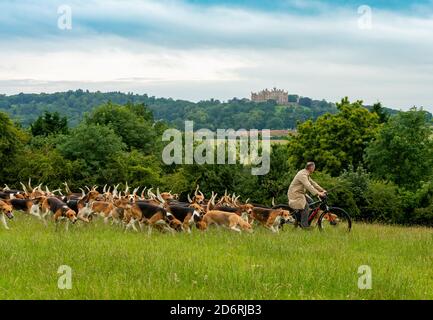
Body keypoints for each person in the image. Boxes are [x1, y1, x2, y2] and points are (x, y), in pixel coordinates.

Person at [288, 162, 326, 229]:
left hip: (300, 193)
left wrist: (322, 190)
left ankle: (301, 218)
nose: (314, 169)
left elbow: (313, 183)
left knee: (311, 202)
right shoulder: (302, 175)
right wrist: (318, 193)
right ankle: (304, 225)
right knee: (306, 206)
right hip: (295, 193)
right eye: (314, 167)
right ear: (311, 168)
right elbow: (308, 185)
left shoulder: (306, 174)